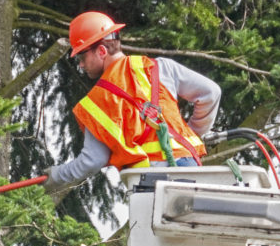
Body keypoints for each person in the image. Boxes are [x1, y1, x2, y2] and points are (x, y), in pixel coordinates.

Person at [44, 11, 220, 193]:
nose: (80, 65)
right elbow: (211, 93)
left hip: (151, 181)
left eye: (82, 57)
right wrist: (191, 135)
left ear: (102, 51)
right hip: (191, 167)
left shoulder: (99, 99)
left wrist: (56, 176)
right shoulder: (160, 67)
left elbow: (92, 161)